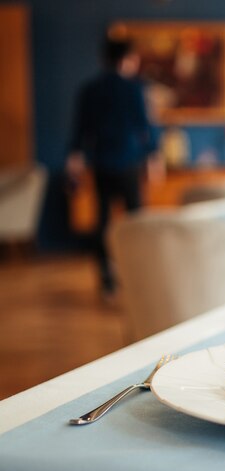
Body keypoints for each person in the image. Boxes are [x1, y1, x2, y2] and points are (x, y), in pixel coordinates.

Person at [66, 37, 163, 295]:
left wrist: (74, 157)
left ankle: (107, 281)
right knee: (136, 221)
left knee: (103, 221)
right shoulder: (134, 89)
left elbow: (80, 130)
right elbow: (146, 126)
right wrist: (154, 156)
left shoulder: (90, 89)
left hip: (101, 162)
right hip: (129, 162)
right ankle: (137, 277)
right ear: (129, 59)